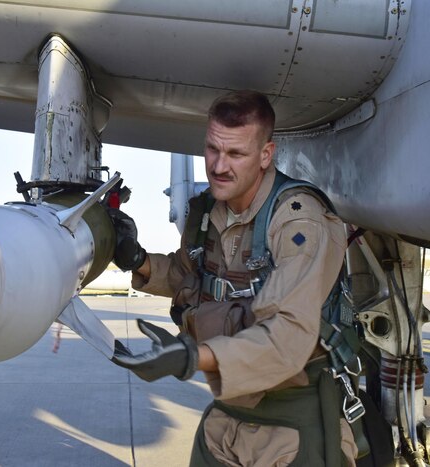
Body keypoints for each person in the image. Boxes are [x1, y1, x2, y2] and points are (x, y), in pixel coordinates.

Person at [109, 90, 358, 466]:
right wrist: (137, 259)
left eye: (236, 154)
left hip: (293, 419)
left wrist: (193, 357)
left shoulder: (298, 220)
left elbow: (287, 335)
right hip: (229, 413)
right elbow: (186, 274)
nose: (219, 166)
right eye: (212, 149)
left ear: (265, 155)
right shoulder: (209, 211)